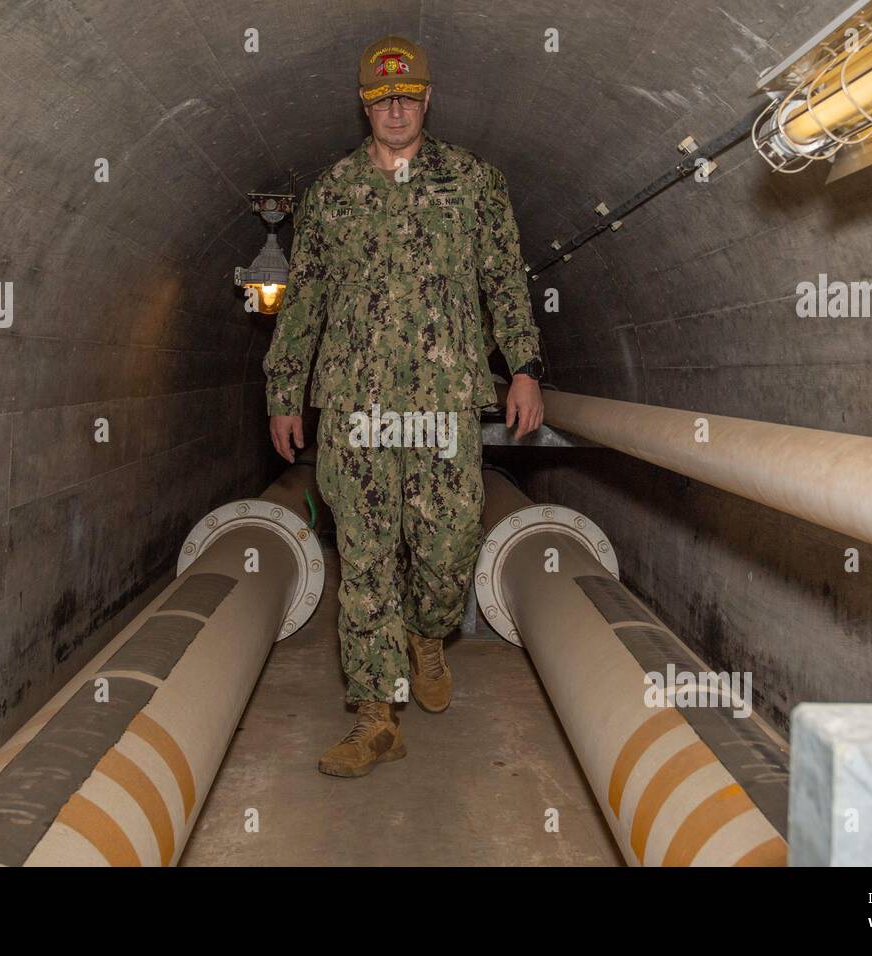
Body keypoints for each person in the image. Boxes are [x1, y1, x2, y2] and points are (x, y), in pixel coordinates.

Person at [263, 34, 545, 777]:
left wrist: (524, 366)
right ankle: (378, 716)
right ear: (365, 104)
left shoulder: (475, 182)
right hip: (355, 405)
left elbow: (504, 282)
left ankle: (428, 633)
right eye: (382, 97)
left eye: (408, 95)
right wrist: (285, 390)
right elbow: (307, 299)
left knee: (449, 548)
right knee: (365, 561)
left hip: (444, 404)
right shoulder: (330, 193)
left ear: (428, 98)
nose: (396, 108)